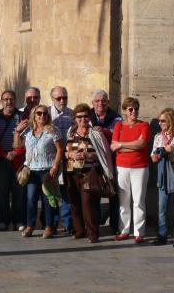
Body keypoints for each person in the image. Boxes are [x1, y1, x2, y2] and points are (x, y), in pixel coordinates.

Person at [65, 103, 114, 243]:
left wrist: (88, 155)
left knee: (87, 203)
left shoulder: (95, 134)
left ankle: (93, 233)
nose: (82, 119)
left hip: (89, 173)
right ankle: (80, 230)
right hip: (72, 170)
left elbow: (104, 154)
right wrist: (70, 154)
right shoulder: (70, 132)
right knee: (74, 203)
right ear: (75, 118)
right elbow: (65, 152)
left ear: (90, 117)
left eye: (86, 116)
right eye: (79, 116)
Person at [16, 104, 63, 239]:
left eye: (45, 113)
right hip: (31, 171)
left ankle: (48, 227)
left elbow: (60, 149)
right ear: (34, 116)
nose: (42, 116)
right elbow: (17, 146)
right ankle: (30, 225)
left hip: (47, 170)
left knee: (48, 199)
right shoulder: (28, 131)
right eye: (39, 113)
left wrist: (55, 167)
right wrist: (17, 132)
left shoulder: (53, 131)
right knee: (31, 199)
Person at [110, 97, 150, 243]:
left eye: (136, 109)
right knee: (123, 200)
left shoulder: (144, 125)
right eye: (131, 109)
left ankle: (139, 232)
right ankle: (124, 230)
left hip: (140, 167)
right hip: (122, 167)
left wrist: (121, 145)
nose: (134, 112)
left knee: (138, 201)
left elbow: (141, 144)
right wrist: (125, 145)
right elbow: (113, 147)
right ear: (125, 111)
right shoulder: (119, 126)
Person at [0, 90, 25, 231]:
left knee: (18, 192)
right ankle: (3, 220)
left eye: (11, 99)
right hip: (1, 161)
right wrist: (4, 154)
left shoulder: (22, 117)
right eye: (6, 99)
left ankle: (18, 220)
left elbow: (26, 140)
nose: (9, 102)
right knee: (2, 192)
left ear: (15, 100)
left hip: (17, 160)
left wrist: (15, 153)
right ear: (1, 101)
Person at [150, 108, 174, 247]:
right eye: (159, 120)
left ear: (170, 120)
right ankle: (162, 235)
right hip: (163, 174)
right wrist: (161, 152)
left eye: (163, 120)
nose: (160, 123)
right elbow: (153, 158)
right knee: (162, 208)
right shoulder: (158, 136)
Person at [90, 89, 122, 233]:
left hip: (112, 160)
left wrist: (105, 131)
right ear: (93, 103)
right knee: (94, 192)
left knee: (113, 193)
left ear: (108, 102)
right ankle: (94, 225)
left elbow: (120, 136)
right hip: (93, 162)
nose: (100, 103)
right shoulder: (88, 116)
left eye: (103, 101)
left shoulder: (117, 118)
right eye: (97, 101)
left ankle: (115, 226)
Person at [49, 85, 74, 234]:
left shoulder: (72, 114)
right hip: (51, 159)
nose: (62, 100)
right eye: (59, 98)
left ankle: (67, 224)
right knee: (52, 193)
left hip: (68, 158)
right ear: (52, 99)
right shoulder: (46, 113)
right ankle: (52, 224)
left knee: (66, 192)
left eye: (65, 97)